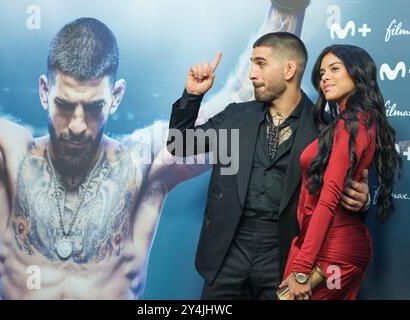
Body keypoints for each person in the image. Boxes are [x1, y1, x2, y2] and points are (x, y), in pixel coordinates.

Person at [0, 17, 213, 299]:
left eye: (93, 107)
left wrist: (274, 17)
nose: (77, 126)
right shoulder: (7, 156)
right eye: (64, 105)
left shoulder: (139, 163)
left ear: (115, 97)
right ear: (44, 91)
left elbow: (233, 131)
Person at [167, 32, 371, 299]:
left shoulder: (326, 131)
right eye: (251, 63)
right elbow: (180, 145)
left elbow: (335, 203)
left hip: (283, 255)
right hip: (228, 250)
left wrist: (363, 201)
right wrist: (192, 97)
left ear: (289, 69)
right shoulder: (235, 117)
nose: (252, 74)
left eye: (260, 63)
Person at [279, 44, 402, 300]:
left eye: (335, 69)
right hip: (332, 245)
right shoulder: (357, 121)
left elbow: (329, 195)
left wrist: (302, 269)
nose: (325, 77)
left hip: (331, 249)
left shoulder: (351, 123)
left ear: (358, 73)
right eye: (322, 72)